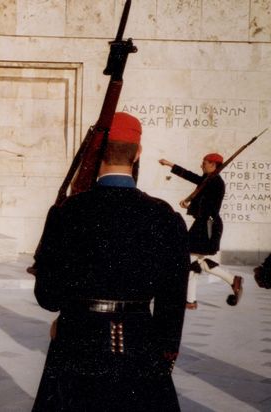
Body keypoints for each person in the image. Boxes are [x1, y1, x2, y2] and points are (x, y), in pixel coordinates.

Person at [33, 112, 190, 411]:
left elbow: (48, 297)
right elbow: (172, 302)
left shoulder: (68, 212)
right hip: (139, 341)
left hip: (77, 338)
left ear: (96, 151)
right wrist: (164, 354)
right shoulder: (165, 218)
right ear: (138, 153)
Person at [159, 154, 243, 309]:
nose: (201, 165)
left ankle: (191, 300)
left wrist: (188, 205)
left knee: (190, 260)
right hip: (204, 225)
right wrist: (170, 164)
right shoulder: (209, 180)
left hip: (207, 226)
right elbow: (192, 177)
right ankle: (231, 280)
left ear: (213, 164)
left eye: (204, 163)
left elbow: (208, 208)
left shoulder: (215, 182)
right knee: (198, 262)